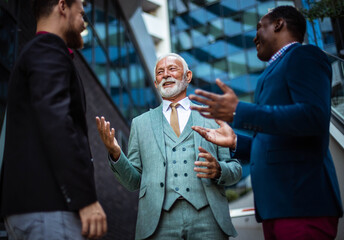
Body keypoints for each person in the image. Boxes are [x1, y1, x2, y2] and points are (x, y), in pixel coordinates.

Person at [189, 5, 343, 240]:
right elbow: (276, 143)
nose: (254, 36)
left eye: (259, 27)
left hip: (302, 205)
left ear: (279, 24)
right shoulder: (269, 74)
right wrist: (235, 142)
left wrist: (240, 111)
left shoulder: (304, 55)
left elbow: (313, 117)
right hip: (277, 208)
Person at [96, 53, 242, 240]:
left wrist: (219, 170)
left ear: (187, 77)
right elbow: (133, 182)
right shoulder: (140, 124)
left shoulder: (211, 117)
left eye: (172, 69)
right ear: (156, 83)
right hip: (158, 223)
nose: (165, 75)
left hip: (209, 218)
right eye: (160, 72)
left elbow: (236, 169)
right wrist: (116, 154)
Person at [0, 0, 107, 239]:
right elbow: (56, 121)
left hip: (34, 210)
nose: (84, 23)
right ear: (62, 6)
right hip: (50, 209)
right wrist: (85, 199)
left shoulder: (35, 52)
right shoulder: (48, 49)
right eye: (81, 13)